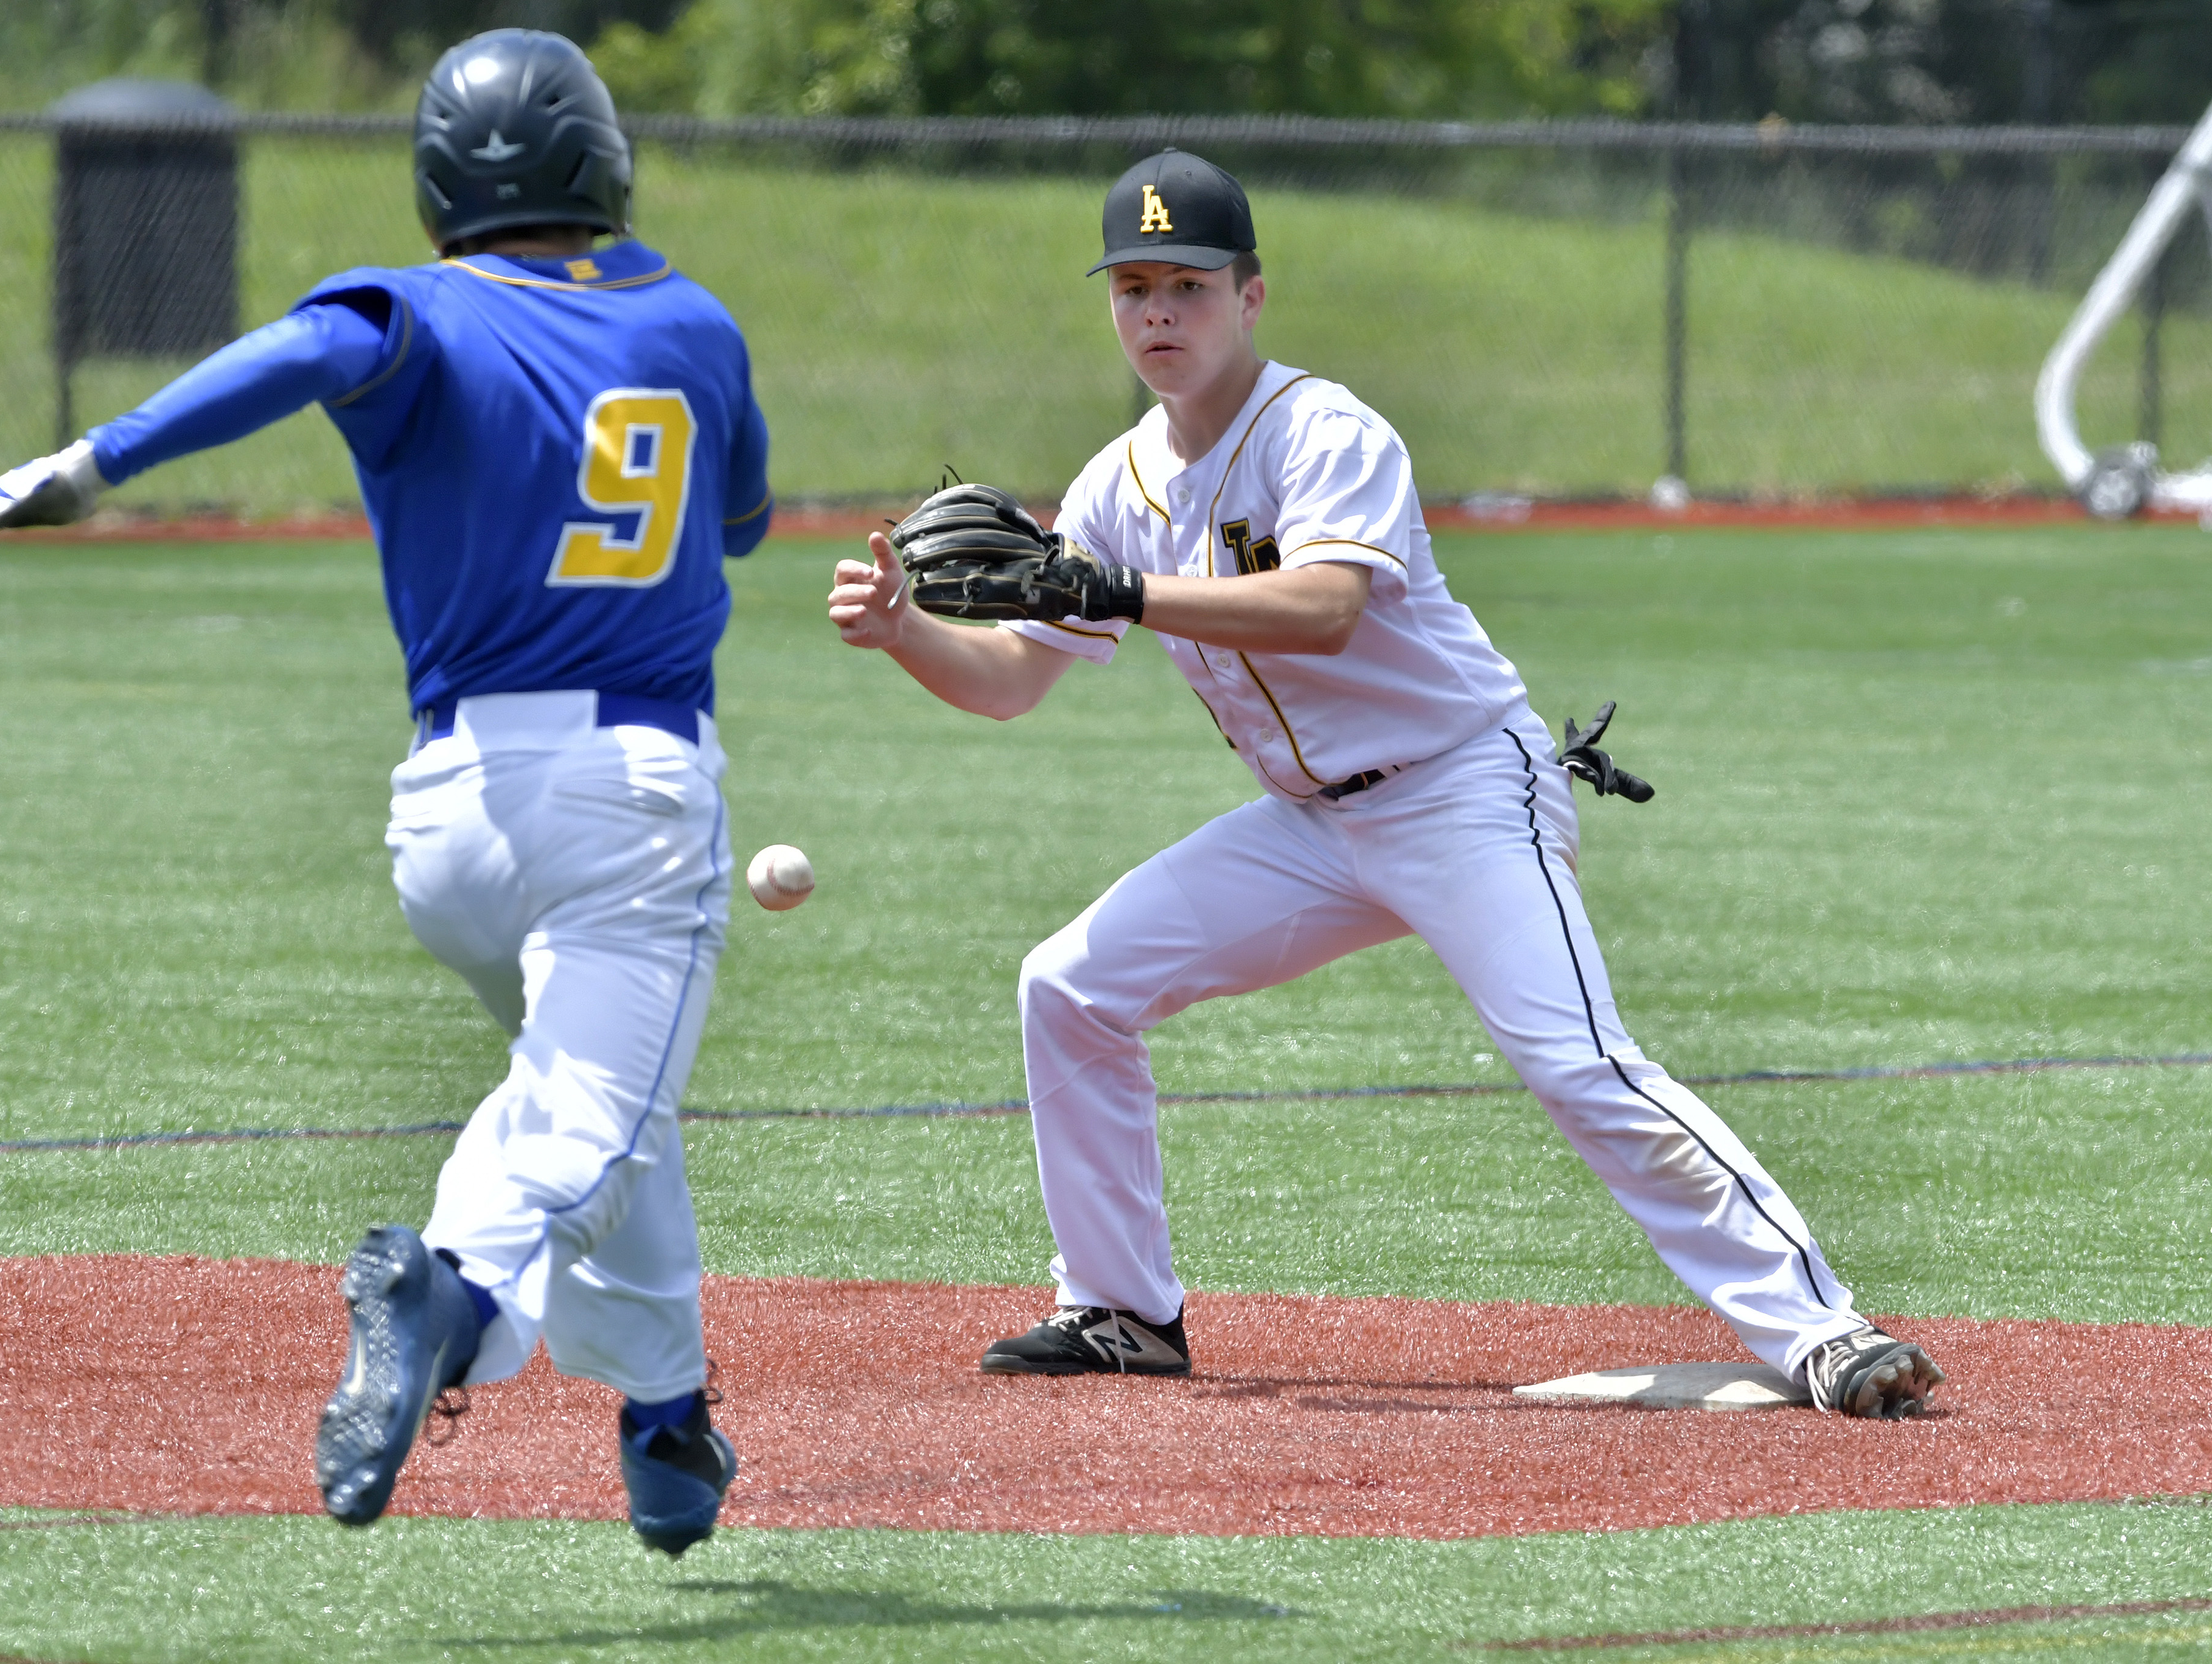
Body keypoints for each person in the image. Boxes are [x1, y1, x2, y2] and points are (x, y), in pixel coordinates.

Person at [826, 148, 1944, 1419]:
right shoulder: (1115, 486)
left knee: (1575, 1059)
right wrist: (905, 632)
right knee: (1069, 985)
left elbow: (1323, 607)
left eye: (1185, 284)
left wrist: (1116, 593)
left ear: (1249, 296)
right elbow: (1011, 679)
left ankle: (1822, 1331)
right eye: (1131, 287)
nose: (1155, 313)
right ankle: (1122, 1310)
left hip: (1464, 789)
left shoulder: (1322, 430)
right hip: (1311, 825)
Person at [0, 30, 770, 1546]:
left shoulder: (422, 309)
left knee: (605, 1094)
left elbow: (310, 350)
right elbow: (745, 518)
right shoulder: (694, 322)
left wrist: (93, 460)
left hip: (449, 810)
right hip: (631, 790)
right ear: (601, 162)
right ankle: (445, 1291)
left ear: (440, 181)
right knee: (588, 1106)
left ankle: (669, 1423)